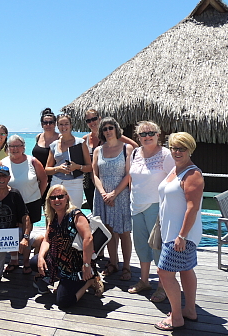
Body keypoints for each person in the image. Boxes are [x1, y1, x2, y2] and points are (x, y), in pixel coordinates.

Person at [154, 132, 204, 331]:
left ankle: (176, 318)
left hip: (181, 235)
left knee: (164, 273)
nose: (177, 151)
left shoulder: (193, 174)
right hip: (171, 232)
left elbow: (193, 208)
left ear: (190, 149)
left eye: (181, 148)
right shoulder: (176, 170)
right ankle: (189, 310)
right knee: (185, 269)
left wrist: (182, 235)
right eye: (174, 147)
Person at [30, 185, 104, 308]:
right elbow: (47, 240)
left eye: (60, 197)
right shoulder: (53, 217)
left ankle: (90, 280)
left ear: (67, 198)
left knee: (64, 302)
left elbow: (88, 238)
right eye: (53, 198)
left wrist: (86, 264)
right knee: (34, 262)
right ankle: (59, 279)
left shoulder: (75, 215)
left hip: (76, 265)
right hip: (58, 260)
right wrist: (41, 257)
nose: (57, 200)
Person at [128, 121, 175, 301]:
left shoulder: (166, 155)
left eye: (151, 133)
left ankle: (162, 286)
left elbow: (174, 181)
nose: (147, 136)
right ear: (138, 137)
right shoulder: (134, 153)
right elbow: (132, 178)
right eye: (143, 134)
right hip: (136, 206)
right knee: (141, 245)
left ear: (158, 135)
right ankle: (144, 280)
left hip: (156, 206)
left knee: (158, 247)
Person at [92, 117, 133, 280]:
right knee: (107, 231)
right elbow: (94, 174)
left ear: (116, 129)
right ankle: (113, 263)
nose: (108, 131)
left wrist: (114, 193)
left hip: (121, 195)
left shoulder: (127, 148)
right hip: (102, 196)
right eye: (104, 129)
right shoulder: (98, 150)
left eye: (110, 128)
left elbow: (129, 174)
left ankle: (127, 267)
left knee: (124, 232)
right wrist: (103, 193)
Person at [0, 134, 47, 274]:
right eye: (11, 146)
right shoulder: (3, 163)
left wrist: (38, 196)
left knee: (27, 233)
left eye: (17, 146)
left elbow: (44, 180)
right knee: (13, 232)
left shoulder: (33, 161)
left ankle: (26, 262)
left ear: (23, 147)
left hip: (31, 203)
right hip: (10, 205)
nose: (14, 149)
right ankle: (14, 259)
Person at [82, 109, 138, 210]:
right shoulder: (84, 139)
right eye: (88, 121)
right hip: (93, 182)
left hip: (117, 183)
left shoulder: (113, 136)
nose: (92, 122)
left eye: (94, 119)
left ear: (99, 119)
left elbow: (135, 146)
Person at [45, 113, 92, 208]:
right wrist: (58, 169)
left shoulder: (80, 143)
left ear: (71, 125)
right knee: (56, 214)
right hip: (57, 182)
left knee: (74, 213)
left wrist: (77, 167)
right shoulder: (54, 145)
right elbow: (47, 169)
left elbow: (89, 167)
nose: (64, 127)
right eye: (61, 124)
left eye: (66, 123)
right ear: (57, 126)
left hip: (75, 183)